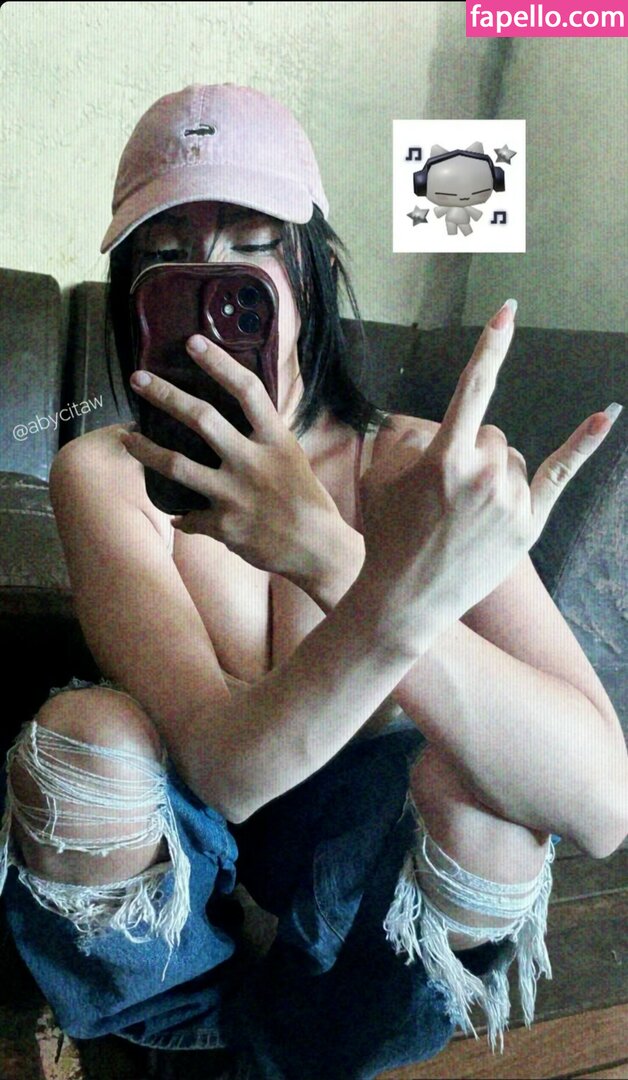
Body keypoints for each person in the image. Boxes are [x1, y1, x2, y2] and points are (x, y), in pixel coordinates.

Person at [0, 84, 626, 1079]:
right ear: (130, 298)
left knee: (494, 817)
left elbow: (600, 807)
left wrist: (327, 552)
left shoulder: (415, 469)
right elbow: (228, 776)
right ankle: (185, 1042)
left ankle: (293, 1054)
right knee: (79, 745)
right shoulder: (104, 472)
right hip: (193, 844)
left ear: (309, 274)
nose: (214, 289)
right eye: (169, 261)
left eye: (252, 247)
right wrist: (385, 588)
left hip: (356, 873)